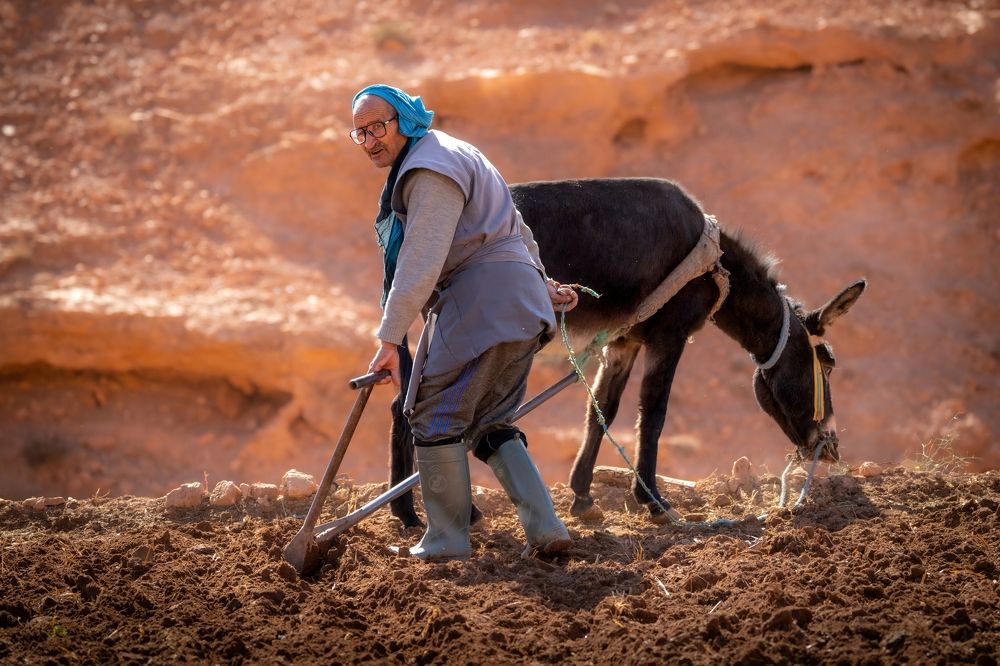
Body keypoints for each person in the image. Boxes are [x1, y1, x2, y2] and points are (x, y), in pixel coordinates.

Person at [350, 84, 578, 560]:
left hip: (480, 305)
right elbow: (519, 229)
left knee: (432, 415)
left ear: (405, 120)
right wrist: (543, 285)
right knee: (490, 421)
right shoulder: (458, 152)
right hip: (522, 307)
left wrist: (390, 340)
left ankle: (446, 539)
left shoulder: (428, 168)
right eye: (360, 133)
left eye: (378, 127)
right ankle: (546, 529)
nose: (370, 141)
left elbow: (421, 260)